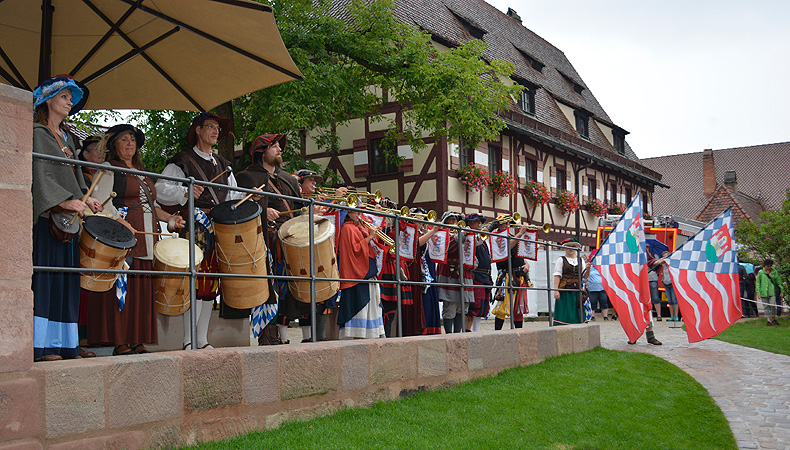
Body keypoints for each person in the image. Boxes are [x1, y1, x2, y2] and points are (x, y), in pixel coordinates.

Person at [88, 124, 185, 355]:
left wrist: (171, 220)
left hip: (147, 239)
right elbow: (100, 202)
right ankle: (120, 341)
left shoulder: (142, 172)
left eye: (132, 139)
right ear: (114, 145)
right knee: (124, 288)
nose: (130, 143)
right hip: (121, 239)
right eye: (123, 139)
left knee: (141, 289)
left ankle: (137, 338)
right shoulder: (108, 168)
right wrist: (121, 222)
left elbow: (152, 206)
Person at [155, 112, 244, 350]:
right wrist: (185, 193)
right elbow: (159, 189)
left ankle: (202, 340)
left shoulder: (225, 166)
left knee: (210, 285)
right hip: (194, 226)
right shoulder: (182, 161)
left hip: (218, 227)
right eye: (211, 127)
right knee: (193, 283)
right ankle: (188, 340)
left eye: (218, 128)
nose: (216, 131)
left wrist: (248, 197)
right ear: (197, 129)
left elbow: (233, 196)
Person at [31, 76, 103, 361]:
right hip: (50, 220)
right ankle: (44, 347)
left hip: (70, 222)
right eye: (64, 96)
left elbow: (74, 178)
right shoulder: (38, 133)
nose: (70, 101)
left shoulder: (68, 138)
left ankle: (66, 345)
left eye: (71, 98)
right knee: (48, 281)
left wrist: (87, 197)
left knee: (67, 281)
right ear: (48, 100)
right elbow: (40, 175)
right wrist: (62, 202)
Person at [236, 134, 301, 345]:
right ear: (262, 151)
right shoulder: (247, 177)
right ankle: (267, 334)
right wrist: (264, 209)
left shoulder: (289, 180)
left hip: (290, 241)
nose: (279, 149)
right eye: (273, 146)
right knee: (268, 288)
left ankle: (284, 333)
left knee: (287, 289)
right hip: (265, 240)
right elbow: (240, 208)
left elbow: (299, 210)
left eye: (279, 146)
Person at [292, 169, 345, 341]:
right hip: (306, 253)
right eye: (311, 181)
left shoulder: (311, 200)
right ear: (300, 183)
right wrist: (333, 199)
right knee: (311, 295)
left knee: (327, 293)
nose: (315, 184)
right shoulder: (297, 199)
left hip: (320, 251)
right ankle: (312, 336)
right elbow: (301, 219)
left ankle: (318, 335)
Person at [336, 209, 385, 338]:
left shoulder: (359, 226)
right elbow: (355, 249)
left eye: (359, 212)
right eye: (355, 212)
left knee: (373, 304)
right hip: (358, 272)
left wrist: (374, 235)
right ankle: (359, 332)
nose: (359, 214)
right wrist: (369, 237)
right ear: (347, 213)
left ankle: (371, 332)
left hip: (368, 271)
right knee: (362, 305)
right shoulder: (347, 228)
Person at [492, 217, 532, 330]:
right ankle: (497, 333)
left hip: (520, 276)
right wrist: (520, 234)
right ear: (498, 224)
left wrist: (526, 264)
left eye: (508, 222)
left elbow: (519, 254)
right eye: (504, 222)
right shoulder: (497, 237)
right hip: (507, 276)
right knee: (502, 306)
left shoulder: (512, 236)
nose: (507, 224)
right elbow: (506, 249)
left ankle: (519, 334)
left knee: (519, 307)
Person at [436, 211, 472, 333]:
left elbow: (472, 249)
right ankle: (449, 335)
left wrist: (473, 262)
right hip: (449, 272)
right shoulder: (443, 235)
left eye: (456, 220)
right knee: (450, 306)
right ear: (445, 222)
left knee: (462, 307)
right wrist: (463, 233)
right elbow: (451, 244)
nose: (455, 222)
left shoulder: (461, 234)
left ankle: (458, 335)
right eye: (451, 219)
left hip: (463, 273)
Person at [464, 213, 491, 332]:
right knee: (474, 306)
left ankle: (477, 330)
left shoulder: (482, 238)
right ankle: (468, 331)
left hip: (485, 276)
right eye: (476, 221)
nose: (480, 223)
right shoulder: (469, 237)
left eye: (481, 221)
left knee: (483, 307)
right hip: (476, 275)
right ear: (469, 224)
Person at [552, 238, 586, 325]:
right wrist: (556, 290)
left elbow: (585, 276)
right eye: (569, 247)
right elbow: (557, 275)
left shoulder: (581, 260)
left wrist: (588, 268)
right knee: (565, 312)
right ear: (566, 248)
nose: (571, 249)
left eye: (573, 246)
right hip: (565, 290)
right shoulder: (561, 259)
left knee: (577, 312)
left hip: (577, 290)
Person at [755, 259, 785, 326]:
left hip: (772, 291)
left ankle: (773, 318)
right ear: (764, 265)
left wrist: (782, 290)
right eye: (767, 266)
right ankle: (768, 320)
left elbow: (778, 282)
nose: (769, 267)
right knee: (765, 306)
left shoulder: (774, 271)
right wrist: (758, 293)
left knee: (772, 305)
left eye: (770, 266)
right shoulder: (760, 272)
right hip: (763, 292)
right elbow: (758, 283)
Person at [582, 250, 610, 322]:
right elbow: (585, 276)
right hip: (592, 289)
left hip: (602, 288)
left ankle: (605, 316)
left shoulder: (599, 268)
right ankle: (592, 316)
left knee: (604, 302)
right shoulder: (587, 268)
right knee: (592, 303)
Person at [658, 251, 680, 321]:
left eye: (666, 256)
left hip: (672, 283)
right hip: (666, 283)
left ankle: (676, 316)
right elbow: (659, 263)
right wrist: (662, 259)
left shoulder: (672, 264)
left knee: (674, 300)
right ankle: (672, 316)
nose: (665, 258)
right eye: (664, 256)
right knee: (669, 300)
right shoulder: (663, 265)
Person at [646, 244, 663, 321]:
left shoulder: (654, 256)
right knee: (645, 299)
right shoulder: (641, 256)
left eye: (647, 247)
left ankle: (659, 315)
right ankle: (647, 315)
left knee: (655, 298)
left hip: (652, 279)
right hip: (644, 280)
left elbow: (657, 263)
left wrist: (661, 260)